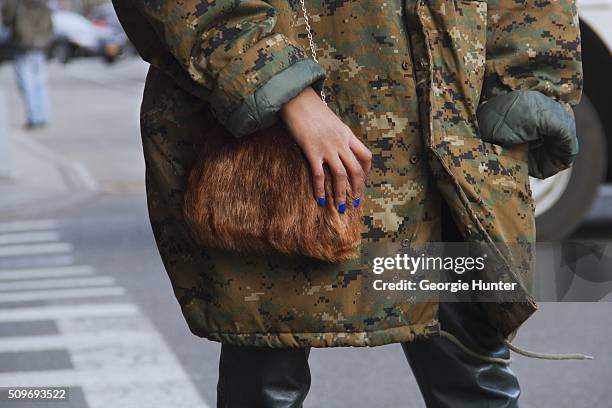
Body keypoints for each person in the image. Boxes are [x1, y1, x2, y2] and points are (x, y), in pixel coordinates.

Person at [113, 0, 582, 406]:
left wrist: (527, 85)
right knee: (268, 354)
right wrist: (287, 93)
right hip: (286, 139)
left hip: (452, 139)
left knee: (474, 364)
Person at [1, 0, 53, 129]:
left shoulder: (16, 3)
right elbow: (51, 25)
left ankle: (34, 117)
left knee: (27, 83)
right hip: (40, 46)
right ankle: (42, 116)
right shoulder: (43, 3)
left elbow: (7, 20)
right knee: (40, 82)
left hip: (23, 46)